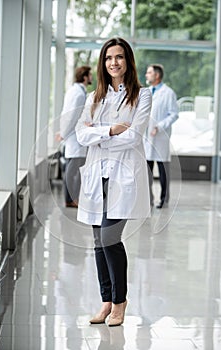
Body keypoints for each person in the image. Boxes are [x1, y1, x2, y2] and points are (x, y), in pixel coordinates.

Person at [75, 37, 152, 326]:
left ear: (127, 61)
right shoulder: (94, 97)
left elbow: (134, 136)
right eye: (109, 58)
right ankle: (106, 301)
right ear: (102, 63)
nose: (114, 63)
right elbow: (81, 135)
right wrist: (111, 131)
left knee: (110, 238)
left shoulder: (141, 96)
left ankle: (120, 301)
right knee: (98, 241)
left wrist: (98, 134)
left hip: (123, 177)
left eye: (119, 57)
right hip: (98, 177)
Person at [57, 66, 92, 207]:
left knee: (74, 171)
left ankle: (73, 199)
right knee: (72, 172)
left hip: (74, 136)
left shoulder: (76, 91)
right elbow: (71, 116)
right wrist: (63, 133)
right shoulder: (78, 94)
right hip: (75, 138)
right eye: (90, 75)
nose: (91, 77)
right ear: (84, 77)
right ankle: (70, 200)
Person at [144, 64, 178, 209]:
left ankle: (164, 199)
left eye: (149, 72)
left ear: (157, 75)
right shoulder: (146, 92)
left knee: (163, 171)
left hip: (160, 138)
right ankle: (148, 199)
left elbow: (174, 114)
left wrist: (159, 126)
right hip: (146, 138)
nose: (146, 75)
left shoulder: (168, 93)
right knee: (146, 172)